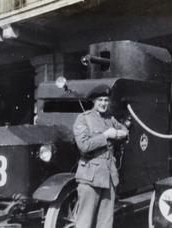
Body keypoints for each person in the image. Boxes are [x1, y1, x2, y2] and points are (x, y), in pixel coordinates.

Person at [73, 84, 128, 228]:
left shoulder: (110, 119)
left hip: (109, 177)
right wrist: (105, 135)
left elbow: (125, 131)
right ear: (94, 102)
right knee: (84, 222)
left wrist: (118, 133)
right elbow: (83, 145)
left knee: (105, 223)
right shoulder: (84, 119)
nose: (104, 103)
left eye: (106, 100)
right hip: (90, 178)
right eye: (100, 100)